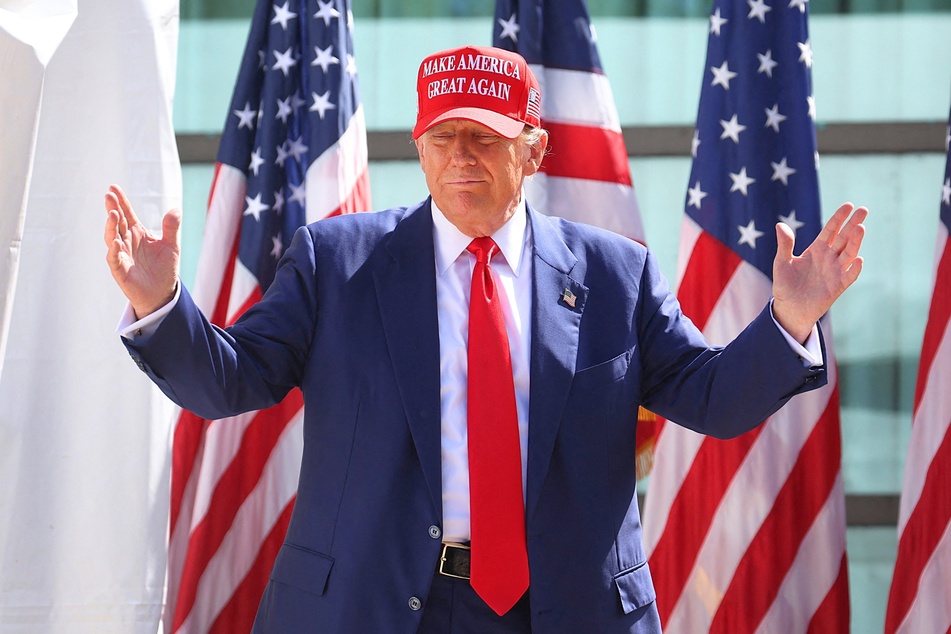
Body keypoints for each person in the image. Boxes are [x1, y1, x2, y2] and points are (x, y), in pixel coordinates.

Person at [104, 45, 866, 633]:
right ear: (419, 144)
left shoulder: (612, 273)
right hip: (375, 604)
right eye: (443, 138)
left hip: (562, 608)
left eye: (485, 138)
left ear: (533, 150)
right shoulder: (336, 264)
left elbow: (711, 399)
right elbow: (228, 381)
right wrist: (160, 302)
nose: (461, 158)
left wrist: (789, 321)